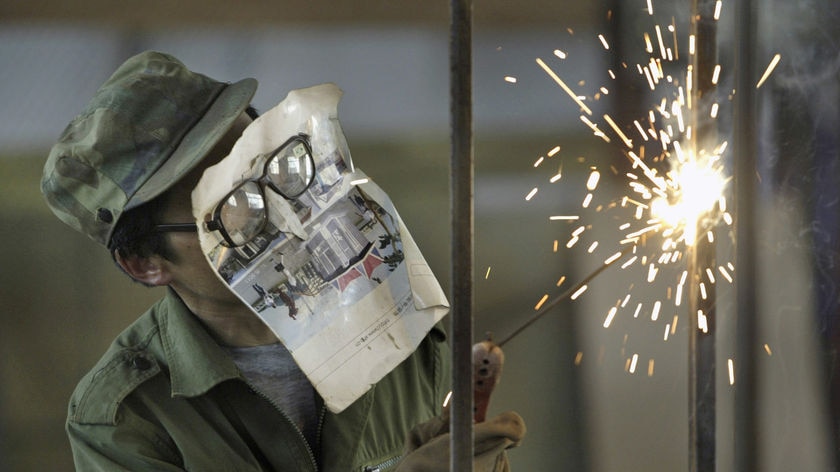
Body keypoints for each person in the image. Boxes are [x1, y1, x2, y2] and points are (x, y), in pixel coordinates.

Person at [42, 51, 524, 471]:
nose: (285, 216)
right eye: (234, 208)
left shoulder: (402, 335)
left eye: (278, 169)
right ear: (145, 263)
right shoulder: (127, 416)